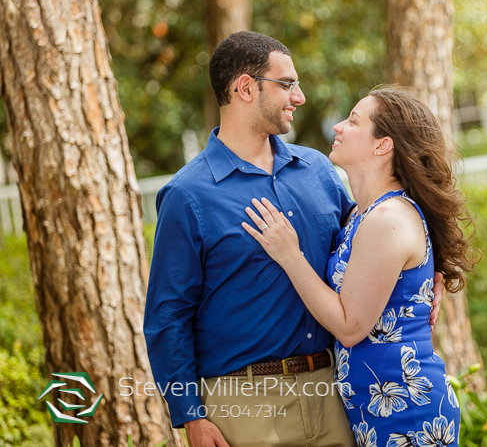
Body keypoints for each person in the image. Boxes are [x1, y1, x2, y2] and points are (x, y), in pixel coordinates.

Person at [143, 32, 444, 447]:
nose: (299, 97)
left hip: (334, 395)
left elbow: (370, 242)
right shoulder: (188, 195)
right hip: (243, 406)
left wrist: (432, 276)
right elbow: (167, 315)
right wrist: (190, 417)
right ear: (245, 88)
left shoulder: (317, 170)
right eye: (287, 84)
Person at [243, 86, 478, 447]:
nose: (338, 126)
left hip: (406, 409)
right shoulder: (363, 213)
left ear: (382, 145)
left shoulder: (388, 218)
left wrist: (289, 256)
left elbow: (351, 327)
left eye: (353, 120)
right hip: (374, 406)